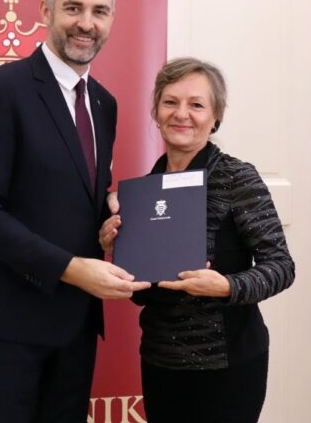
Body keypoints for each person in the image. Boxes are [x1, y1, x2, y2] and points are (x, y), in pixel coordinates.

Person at [0, 0, 150, 423]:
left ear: (112, 19)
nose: (86, 24)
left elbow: (77, 193)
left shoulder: (103, 103)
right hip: (6, 325)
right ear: (45, 11)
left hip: (75, 327)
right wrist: (70, 269)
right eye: (73, 8)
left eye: (99, 11)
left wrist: (113, 217)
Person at [99, 57, 295, 422]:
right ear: (156, 111)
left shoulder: (237, 178)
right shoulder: (144, 192)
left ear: (215, 116)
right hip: (160, 360)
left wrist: (227, 286)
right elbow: (144, 294)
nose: (181, 114)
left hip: (229, 365)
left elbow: (281, 267)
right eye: (170, 102)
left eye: (196, 105)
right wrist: (118, 252)